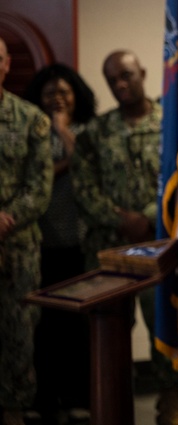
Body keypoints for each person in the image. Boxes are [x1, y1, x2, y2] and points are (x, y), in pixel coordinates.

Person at [72, 50, 178, 425]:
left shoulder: (170, 122)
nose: (121, 85)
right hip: (109, 249)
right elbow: (82, 185)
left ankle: (169, 404)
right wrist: (117, 218)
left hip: (160, 247)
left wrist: (149, 219)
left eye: (126, 75)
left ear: (142, 71)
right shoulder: (96, 131)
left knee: (163, 324)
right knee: (108, 330)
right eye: (113, 80)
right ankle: (108, 404)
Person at [24, 63, 98, 424]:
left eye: (64, 92)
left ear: (76, 95)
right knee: (42, 327)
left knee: (75, 328)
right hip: (40, 244)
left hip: (79, 245)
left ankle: (77, 397)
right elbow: (36, 177)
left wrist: (63, 130)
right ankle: (44, 399)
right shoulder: (30, 128)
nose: (57, 98)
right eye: (50, 93)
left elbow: (82, 165)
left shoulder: (86, 130)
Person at [0, 38, 54, 425]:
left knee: (19, 335)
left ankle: (15, 411)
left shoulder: (31, 118)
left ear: (6, 65)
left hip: (16, 249)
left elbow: (40, 188)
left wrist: (5, 218)